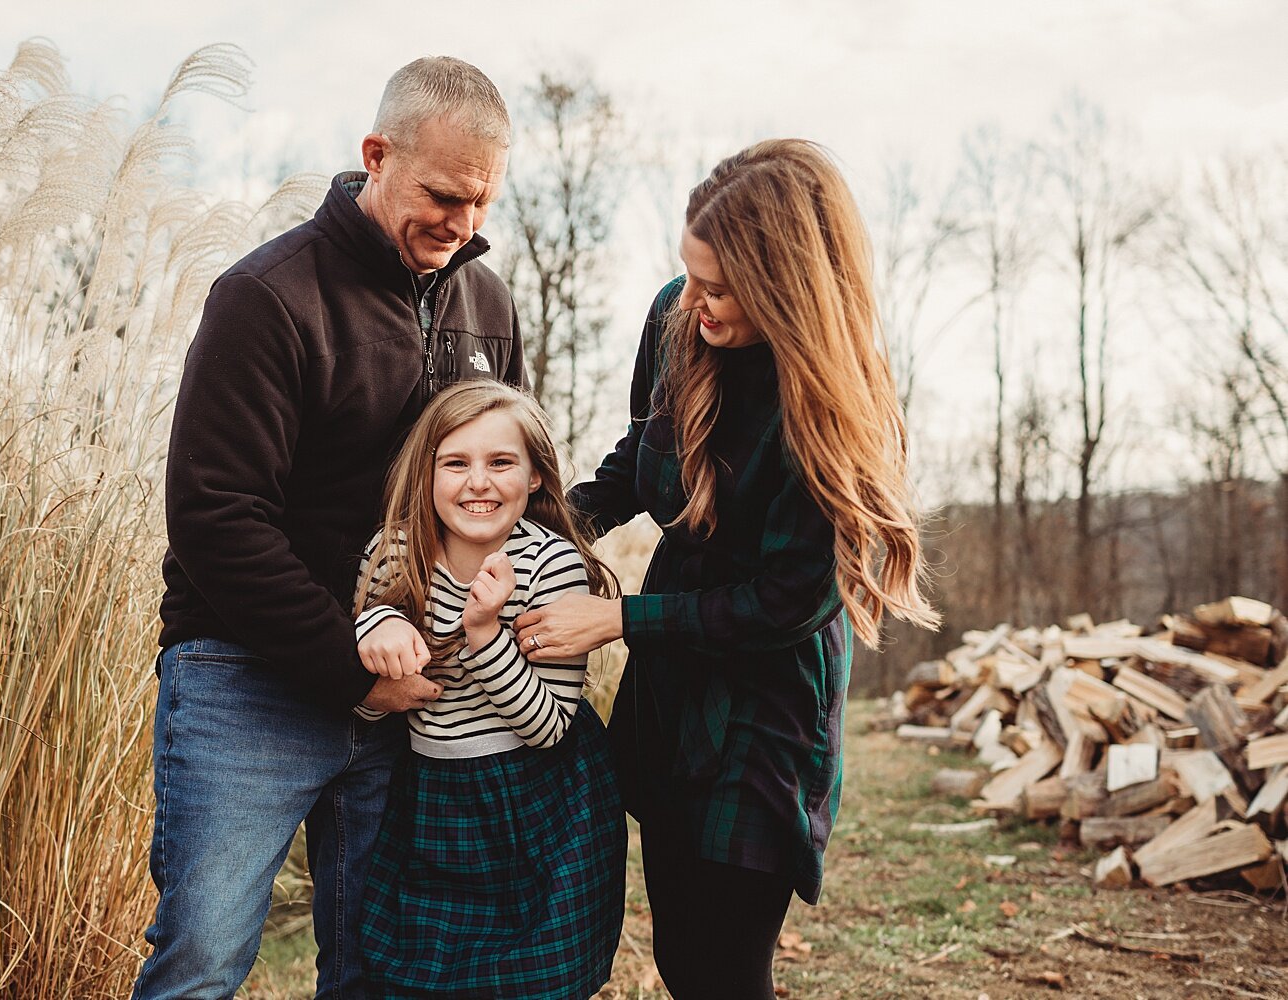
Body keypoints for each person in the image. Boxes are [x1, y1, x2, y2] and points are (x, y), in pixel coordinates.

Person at [512, 139, 941, 999]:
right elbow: (647, 448)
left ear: (787, 285)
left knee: (725, 965)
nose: (695, 302)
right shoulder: (677, 315)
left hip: (768, 703)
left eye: (719, 287)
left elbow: (788, 602)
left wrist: (621, 619)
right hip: (676, 689)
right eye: (690, 275)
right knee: (680, 956)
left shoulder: (836, 405)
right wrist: (554, 522)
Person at [136, 57, 524, 1000]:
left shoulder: (488, 307)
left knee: (378, 973)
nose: (461, 225)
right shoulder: (266, 296)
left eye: (480, 203)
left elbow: (501, 491)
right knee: (202, 963)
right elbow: (216, 519)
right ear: (376, 155)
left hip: (410, 693)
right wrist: (352, 666)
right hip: (247, 682)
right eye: (441, 195)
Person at [349, 380, 626, 1000]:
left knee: (534, 978)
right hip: (434, 798)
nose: (479, 482)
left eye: (501, 462)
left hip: (541, 799)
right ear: (426, 476)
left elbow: (549, 725)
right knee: (419, 971)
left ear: (533, 477)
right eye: (456, 463)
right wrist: (381, 624)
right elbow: (366, 650)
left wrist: (483, 633)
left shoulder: (552, 565)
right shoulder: (396, 553)